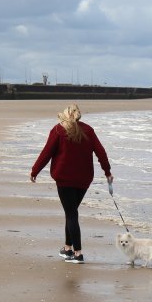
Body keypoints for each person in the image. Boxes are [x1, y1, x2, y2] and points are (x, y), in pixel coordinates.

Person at [30, 104, 113, 264]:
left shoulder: (58, 130)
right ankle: (67, 248)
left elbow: (46, 153)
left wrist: (35, 171)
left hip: (64, 178)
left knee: (71, 214)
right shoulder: (88, 130)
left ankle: (78, 253)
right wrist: (107, 172)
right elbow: (101, 152)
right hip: (84, 179)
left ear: (65, 115)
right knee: (71, 212)